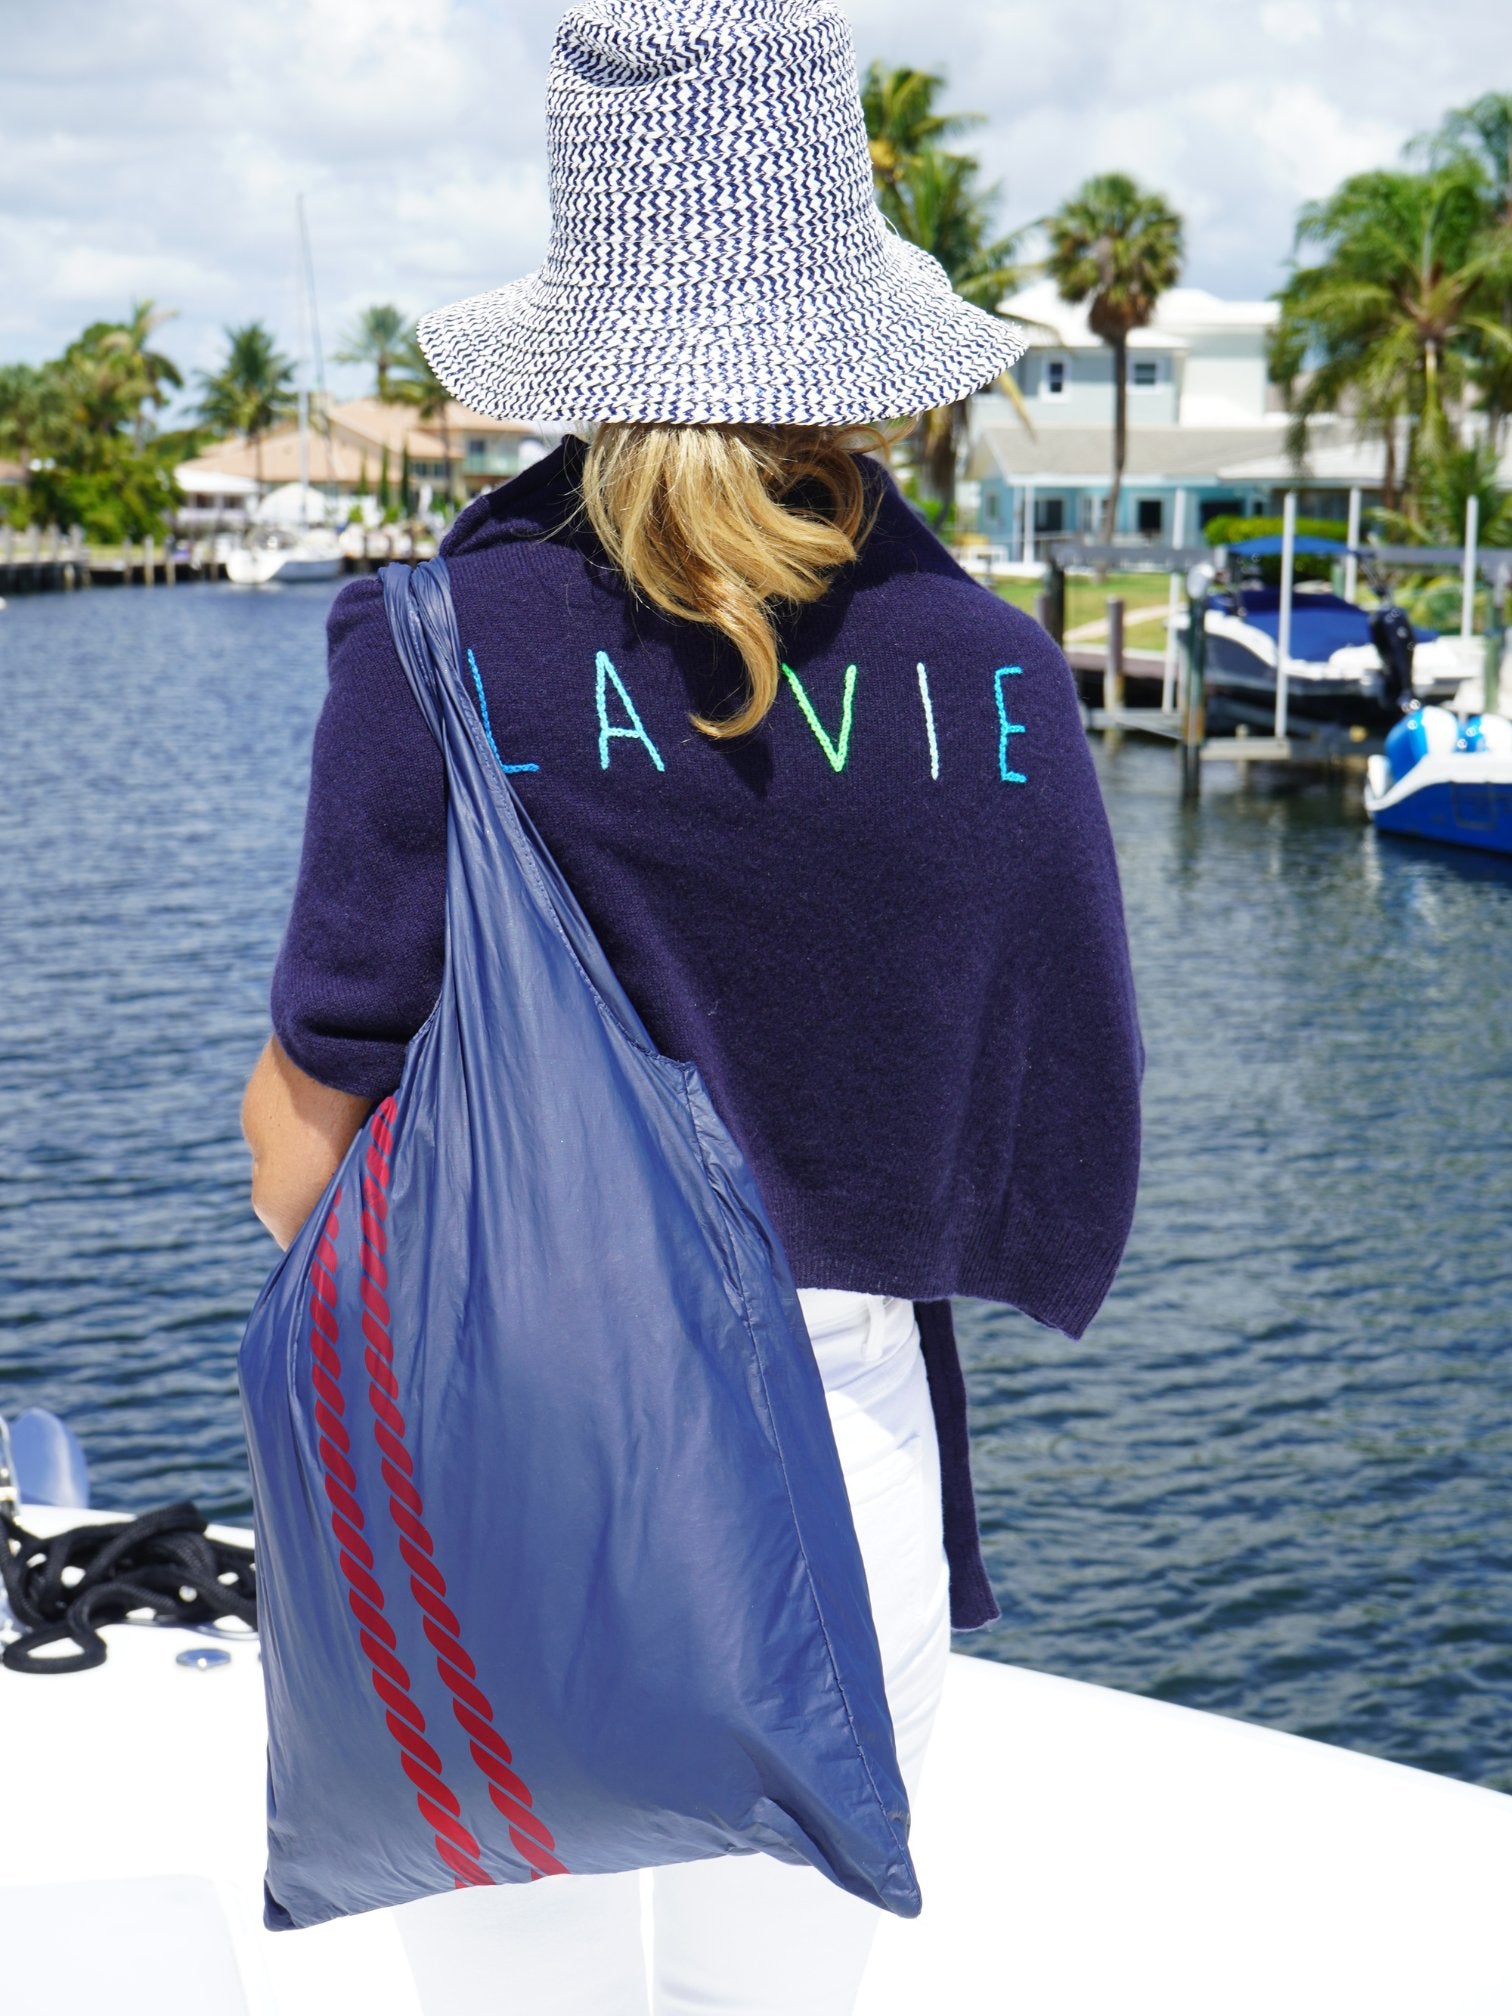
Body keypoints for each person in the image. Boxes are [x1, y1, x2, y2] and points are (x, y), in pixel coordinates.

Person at [240, 2, 1141, 2009]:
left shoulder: (433, 648)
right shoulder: (999, 676)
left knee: (516, 1985)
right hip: (851, 1450)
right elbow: (1035, 1125)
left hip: (513, 1423)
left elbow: (300, 1141)